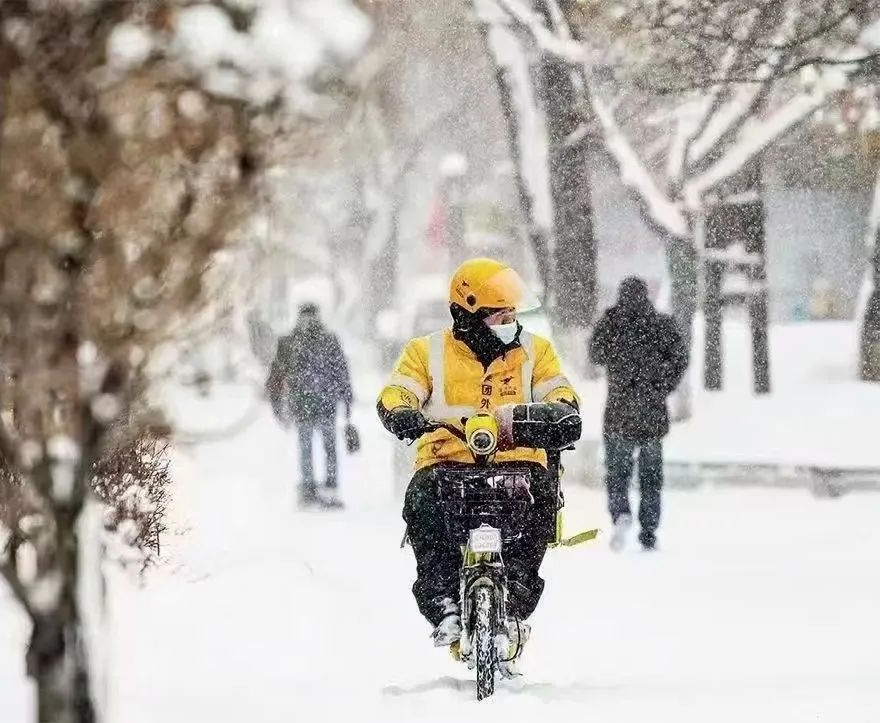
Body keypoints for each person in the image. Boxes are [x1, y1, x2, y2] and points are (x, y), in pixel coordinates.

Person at [376, 258, 580, 674]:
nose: (510, 322)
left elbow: (560, 391)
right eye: (499, 314)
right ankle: (444, 602)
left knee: (542, 498)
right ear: (468, 315)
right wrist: (402, 411)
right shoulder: (425, 352)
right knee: (422, 504)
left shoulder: (535, 352)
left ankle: (517, 597)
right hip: (445, 465)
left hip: (518, 465)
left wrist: (557, 412)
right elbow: (398, 391)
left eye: (512, 313)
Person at [589, 277, 688, 551]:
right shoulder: (660, 325)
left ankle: (620, 512)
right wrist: (662, 385)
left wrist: (609, 322)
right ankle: (649, 529)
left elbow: (594, 354)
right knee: (651, 476)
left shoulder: (613, 324)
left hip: (619, 412)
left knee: (617, 473)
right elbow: (680, 357)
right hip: (652, 413)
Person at [266, 303, 353, 509]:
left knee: (306, 447)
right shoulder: (328, 340)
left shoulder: (289, 342)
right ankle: (330, 490)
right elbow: (342, 372)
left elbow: (276, 376)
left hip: (302, 404)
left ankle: (308, 489)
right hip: (326, 403)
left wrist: (277, 405)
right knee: (328, 447)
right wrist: (347, 401)